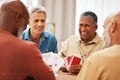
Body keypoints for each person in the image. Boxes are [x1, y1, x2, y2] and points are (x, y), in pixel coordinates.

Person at [0, 0, 55, 80]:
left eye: (43, 21)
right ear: (18, 18)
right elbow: (49, 78)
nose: (39, 24)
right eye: (25, 24)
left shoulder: (51, 38)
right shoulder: (26, 48)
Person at [77, 12, 120, 80]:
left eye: (104, 28)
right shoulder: (70, 40)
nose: (103, 33)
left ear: (113, 26)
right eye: (81, 25)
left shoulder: (96, 59)